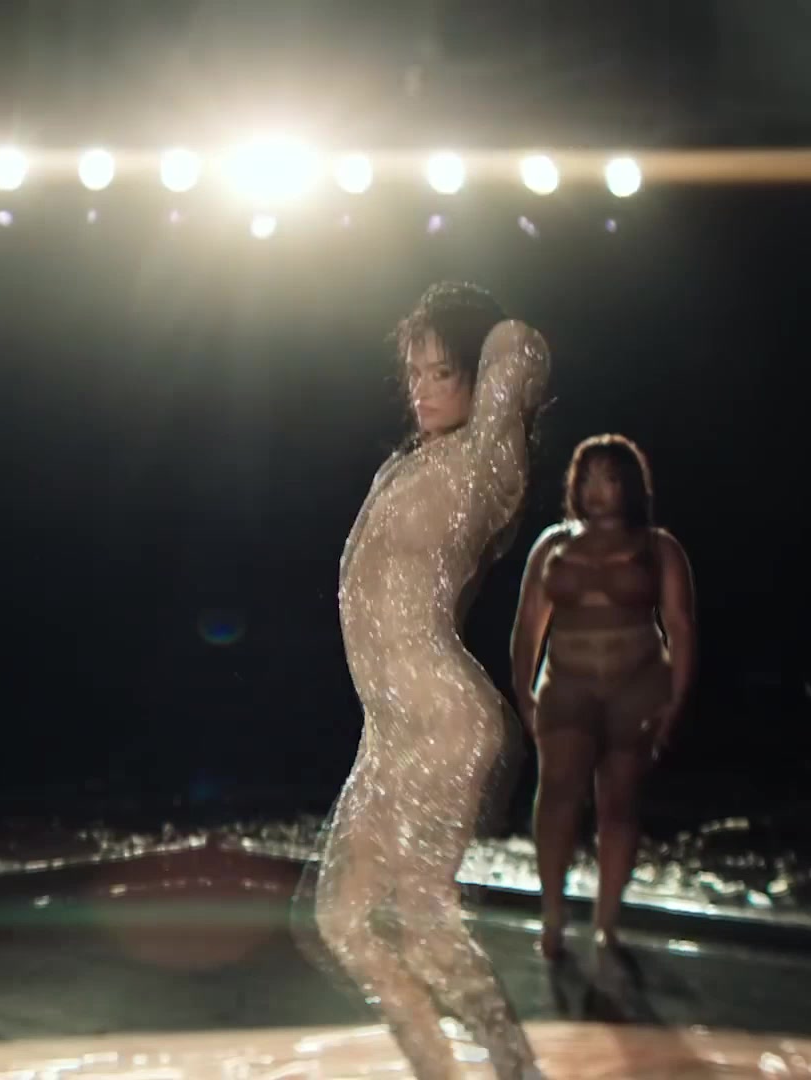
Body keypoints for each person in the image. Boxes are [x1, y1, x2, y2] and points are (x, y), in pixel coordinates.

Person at [306, 282, 550, 1080]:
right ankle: (440, 1069)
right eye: (413, 371)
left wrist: (464, 321)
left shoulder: (488, 461)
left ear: (480, 377)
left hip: (444, 721)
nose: (421, 388)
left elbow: (519, 341)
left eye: (442, 372)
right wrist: (442, 347)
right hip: (389, 730)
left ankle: (515, 1070)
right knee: (341, 918)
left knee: (420, 915)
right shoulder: (408, 465)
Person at [509, 434, 696, 960]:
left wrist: (675, 702)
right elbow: (528, 625)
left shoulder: (659, 547)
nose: (596, 490)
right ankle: (551, 912)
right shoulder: (552, 545)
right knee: (557, 794)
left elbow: (681, 628)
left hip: (635, 684)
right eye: (587, 478)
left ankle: (606, 920)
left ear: (629, 485)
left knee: (619, 802)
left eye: (609, 478)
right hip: (567, 682)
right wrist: (523, 690)